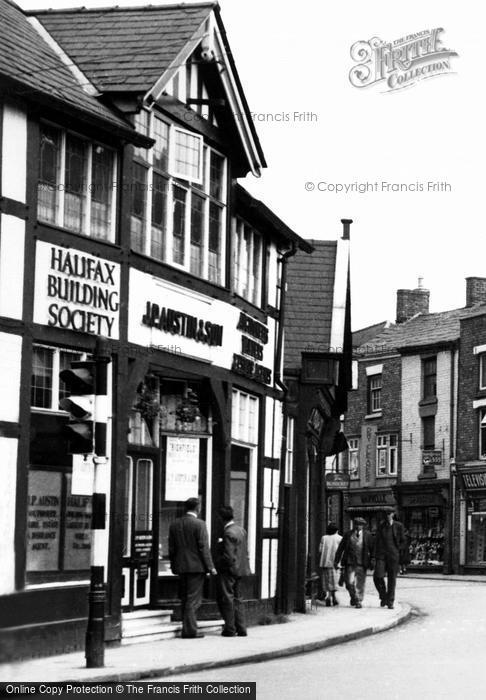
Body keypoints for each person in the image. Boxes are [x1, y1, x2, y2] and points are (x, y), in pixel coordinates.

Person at [168, 497, 216, 638]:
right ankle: (190, 631)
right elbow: (204, 548)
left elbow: (171, 548)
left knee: (186, 598)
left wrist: (173, 564)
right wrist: (211, 567)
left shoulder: (174, 524)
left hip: (181, 566)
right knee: (193, 600)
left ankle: (187, 627)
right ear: (198, 508)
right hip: (196, 567)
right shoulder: (200, 524)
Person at [213, 505, 251, 637]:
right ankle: (241, 628)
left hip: (228, 571)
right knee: (238, 599)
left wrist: (217, 564)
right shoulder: (241, 530)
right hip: (241, 570)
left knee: (227, 599)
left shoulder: (228, 533)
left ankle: (229, 629)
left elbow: (228, 556)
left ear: (221, 518)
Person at [334, 517, 374, 608]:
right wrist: (337, 560)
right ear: (354, 525)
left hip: (361, 562)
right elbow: (341, 548)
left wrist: (372, 560)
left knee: (360, 583)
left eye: (360, 525)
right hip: (349, 562)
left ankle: (358, 600)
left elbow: (372, 549)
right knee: (349, 582)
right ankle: (353, 596)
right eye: (356, 524)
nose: (358, 526)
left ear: (363, 526)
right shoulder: (348, 534)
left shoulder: (367, 535)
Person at [373, 507, 406, 609]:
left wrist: (397, 549)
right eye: (385, 514)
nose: (387, 516)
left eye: (389, 514)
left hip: (393, 556)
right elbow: (376, 542)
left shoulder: (398, 526)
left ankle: (390, 601)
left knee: (392, 579)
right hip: (381, 555)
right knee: (377, 577)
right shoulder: (381, 526)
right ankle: (383, 596)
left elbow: (404, 541)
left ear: (393, 514)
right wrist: (374, 556)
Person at [318, 524, 342, 606]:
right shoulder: (339, 538)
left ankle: (328, 596)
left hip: (325, 562)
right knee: (334, 581)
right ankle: (334, 597)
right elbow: (342, 551)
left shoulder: (324, 538)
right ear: (336, 530)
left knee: (326, 580)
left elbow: (320, 550)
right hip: (335, 563)